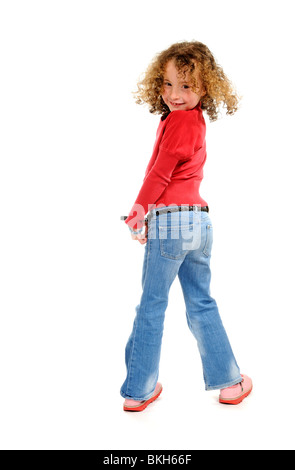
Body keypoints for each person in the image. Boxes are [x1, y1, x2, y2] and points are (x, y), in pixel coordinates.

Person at [120, 41, 252, 411]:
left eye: (186, 86)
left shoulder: (178, 122)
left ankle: (138, 389)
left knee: (152, 305)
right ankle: (230, 383)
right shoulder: (194, 121)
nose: (174, 95)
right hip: (199, 222)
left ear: (205, 87)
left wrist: (138, 211)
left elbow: (161, 172)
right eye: (167, 84)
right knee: (201, 302)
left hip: (171, 223)